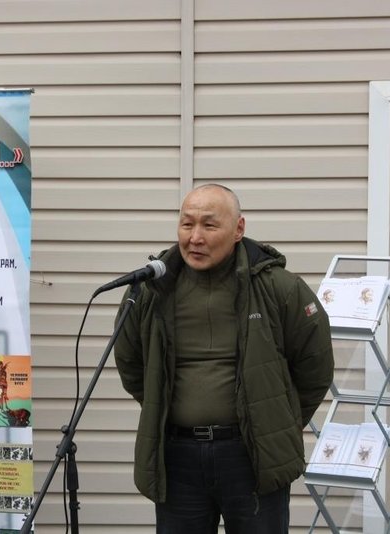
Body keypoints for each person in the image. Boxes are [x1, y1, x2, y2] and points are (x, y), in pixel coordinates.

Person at [113, 184, 334, 534]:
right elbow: (130, 361)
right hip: (177, 457)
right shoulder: (152, 290)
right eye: (187, 224)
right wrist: (166, 408)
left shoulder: (279, 287)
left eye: (209, 225)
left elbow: (315, 367)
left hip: (253, 456)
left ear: (238, 229)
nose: (195, 237)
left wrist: (277, 421)